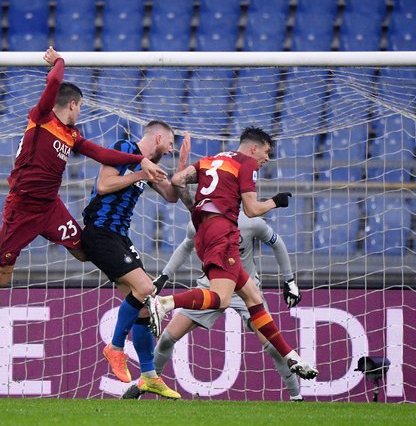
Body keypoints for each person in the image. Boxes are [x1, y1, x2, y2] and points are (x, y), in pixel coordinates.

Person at [0, 47, 166, 288]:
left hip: (50, 207)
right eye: (80, 107)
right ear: (72, 104)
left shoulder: (72, 134)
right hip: (22, 208)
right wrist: (60, 60)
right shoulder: (41, 118)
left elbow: (101, 153)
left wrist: (140, 160)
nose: (80, 111)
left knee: (85, 252)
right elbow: (55, 79)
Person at [147, 126, 318, 380]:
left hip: (204, 230)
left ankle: (291, 356)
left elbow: (177, 180)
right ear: (254, 147)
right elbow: (250, 210)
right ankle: (166, 303)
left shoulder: (212, 160)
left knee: (253, 298)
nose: (267, 159)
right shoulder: (246, 164)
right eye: (267, 152)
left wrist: (196, 209)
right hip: (222, 231)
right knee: (222, 298)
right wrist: (276, 201)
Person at [123, 214, 304, 400]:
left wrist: (289, 280)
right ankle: (146, 385)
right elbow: (186, 245)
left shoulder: (251, 222)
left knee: (273, 345)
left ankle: (296, 397)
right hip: (210, 289)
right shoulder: (199, 221)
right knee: (168, 338)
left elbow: (277, 243)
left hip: (246, 291)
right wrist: (164, 275)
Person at [81, 121, 190, 399]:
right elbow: (104, 185)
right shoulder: (123, 148)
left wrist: (180, 168)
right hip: (100, 231)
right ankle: (115, 347)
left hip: (119, 236)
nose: (169, 150)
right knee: (146, 289)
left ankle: (149, 376)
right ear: (157, 138)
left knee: (145, 306)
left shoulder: (150, 167)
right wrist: (141, 172)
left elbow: (170, 196)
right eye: (169, 145)